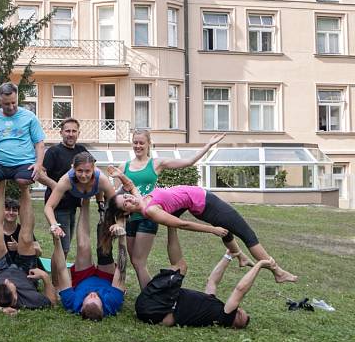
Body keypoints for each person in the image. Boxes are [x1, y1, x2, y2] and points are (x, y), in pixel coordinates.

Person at [107, 168, 297, 283]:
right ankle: (277, 272)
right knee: (247, 233)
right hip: (205, 204)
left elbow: (131, 185)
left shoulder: (141, 200)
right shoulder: (151, 211)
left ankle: (239, 257)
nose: (129, 198)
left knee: (229, 231)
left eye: (126, 196)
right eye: (126, 203)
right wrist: (211, 230)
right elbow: (183, 224)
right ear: (127, 212)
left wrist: (119, 175)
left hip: (202, 200)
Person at [119, 130, 226, 290]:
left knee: (139, 261)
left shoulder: (155, 163)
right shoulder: (124, 167)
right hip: (130, 218)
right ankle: (150, 295)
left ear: (149, 144)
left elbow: (188, 162)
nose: (138, 146)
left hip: (148, 217)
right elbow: (118, 196)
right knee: (134, 261)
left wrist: (208, 145)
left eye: (142, 142)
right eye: (135, 142)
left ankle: (149, 298)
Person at [135, 227, 276, 328]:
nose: (238, 309)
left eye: (238, 313)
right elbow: (212, 281)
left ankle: (172, 225)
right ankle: (172, 225)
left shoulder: (225, 316)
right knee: (179, 269)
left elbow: (240, 289)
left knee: (180, 266)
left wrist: (260, 264)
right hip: (151, 307)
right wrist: (228, 257)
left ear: (233, 323)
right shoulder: (212, 310)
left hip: (155, 306)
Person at [0, 82, 45, 262]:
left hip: (23, 163)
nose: (11, 106)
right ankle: (2, 184)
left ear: (17, 98)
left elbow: (39, 143)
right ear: (0, 100)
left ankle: (26, 230)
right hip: (0, 162)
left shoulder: (29, 117)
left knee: (24, 182)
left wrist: (38, 164)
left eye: (14, 103)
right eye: (7, 103)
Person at [0, 183, 56, 315]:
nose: (7, 280)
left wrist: (0, 309)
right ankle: (25, 186)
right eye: (9, 285)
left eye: (4, 283)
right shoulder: (30, 299)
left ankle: (1, 184)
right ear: (15, 298)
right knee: (26, 238)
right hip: (27, 273)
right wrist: (44, 276)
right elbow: (52, 301)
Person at [50, 200, 127, 320]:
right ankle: (109, 209)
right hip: (107, 278)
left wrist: (56, 240)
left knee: (83, 246)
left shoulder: (71, 303)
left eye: (88, 299)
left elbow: (61, 269)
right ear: (103, 309)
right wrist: (122, 237)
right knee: (103, 250)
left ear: (80, 309)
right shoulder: (112, 303)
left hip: (83, 279)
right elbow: (121, 270)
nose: (92, 294)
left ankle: (85, 200)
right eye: (95, 299)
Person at [43, 151, 121, 267]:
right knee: (63, 246)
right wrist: (54, 225)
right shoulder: (66, 180)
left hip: (96, 191)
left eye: (88, 171)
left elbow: (116, 204)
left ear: (93, 169)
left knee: (102, 230)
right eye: (79, 171)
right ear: (73, 168)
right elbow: (49, 207)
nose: (83, 175)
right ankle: (57, 281)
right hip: (71, 196)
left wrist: (118, 222)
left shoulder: (102, 179)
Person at [36, 117, 87, 256]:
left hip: (73, 205)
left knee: (66, 245)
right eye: (67, 131)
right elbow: (40, 174)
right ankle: (58, 276)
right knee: (62, 247)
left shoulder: (82, 150)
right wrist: (54, 185)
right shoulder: (53, 152)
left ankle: (59, 274)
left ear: (78, 133)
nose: (70, 134)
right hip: (57, 206)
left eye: (74, 131)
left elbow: (91, 171)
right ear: (61, 133)